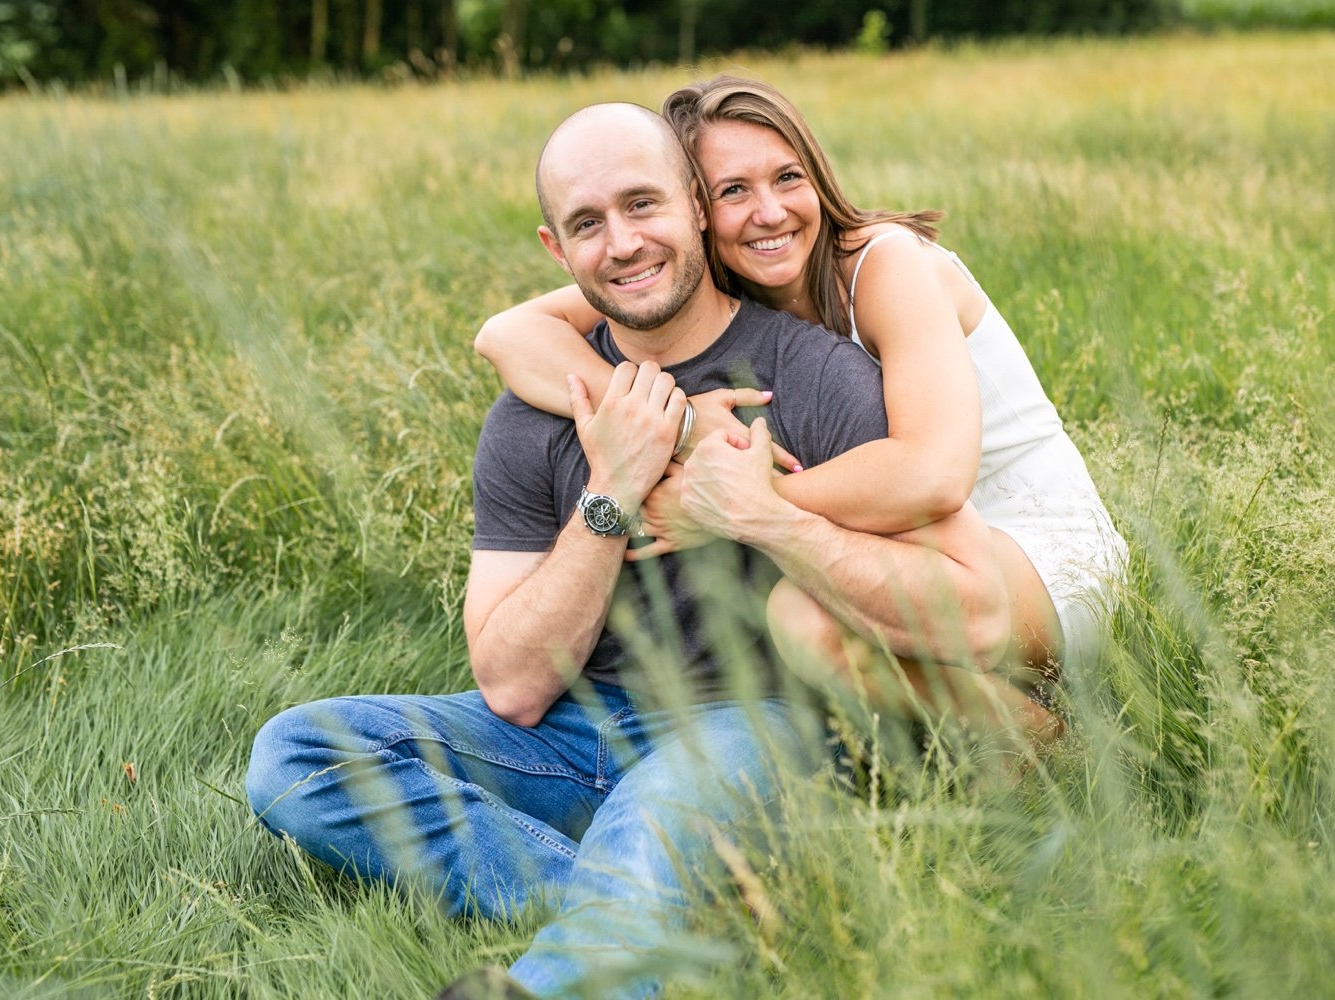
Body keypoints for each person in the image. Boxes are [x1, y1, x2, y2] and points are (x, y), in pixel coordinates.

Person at [246, 102, 1003, 1000]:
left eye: (643, 205)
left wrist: (760, 507)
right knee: (296, 755)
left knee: (660, 812)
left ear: (692, 205)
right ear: (556, 251)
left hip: (752, 724)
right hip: (575, 731)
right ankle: (652, 902)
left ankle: (565, 973)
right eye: (587, 224)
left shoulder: (814, 376)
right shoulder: (536, 411)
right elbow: (512, 685)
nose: (623, 243)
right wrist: (612, 490)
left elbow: (946, 589)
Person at [476, 76, 1127, 739]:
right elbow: (507, 336)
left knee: (803, 615)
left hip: (1035, 548)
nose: (770, 212)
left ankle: (1040, 747)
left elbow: (934, 475)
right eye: (734, 190)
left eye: (788, 178)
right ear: (696, 207)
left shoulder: (886, 266)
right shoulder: (689, 269)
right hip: (922, 544)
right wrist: (685, 423)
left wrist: (740, 505)